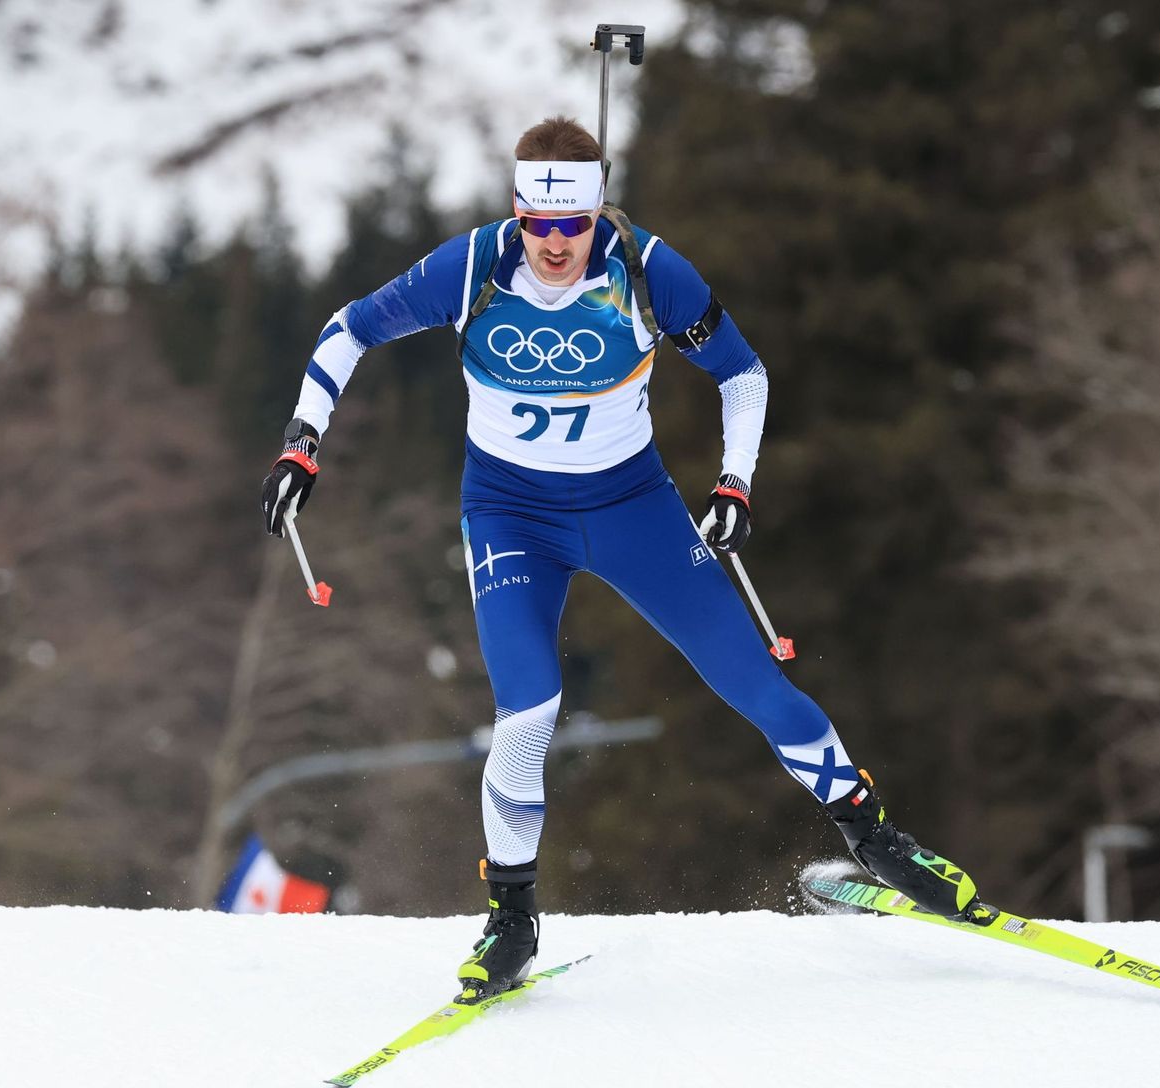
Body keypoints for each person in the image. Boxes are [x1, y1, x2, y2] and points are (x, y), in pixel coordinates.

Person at [263, 117, 985, 1001]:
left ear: (598, 211)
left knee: (756, 684)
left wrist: (735, 484)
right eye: (539, 225)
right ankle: (511, 916)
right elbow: (348, 329)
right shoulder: (474, 266)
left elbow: (743, 373)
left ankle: (876, 838)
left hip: (630, 508)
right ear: (517, 212)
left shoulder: (648, 271)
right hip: (509, 514)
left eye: (574, 225)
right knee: (528, 709)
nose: (556, 246)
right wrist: (303, 443)